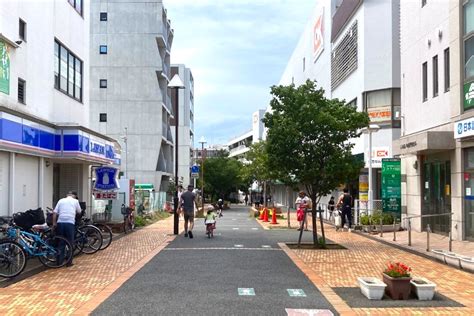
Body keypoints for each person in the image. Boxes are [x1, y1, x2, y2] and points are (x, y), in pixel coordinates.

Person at [52, 191, 82, 266]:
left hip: (60, 222)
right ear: (74, 196)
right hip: (70, 223)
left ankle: (59, 262)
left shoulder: (61, 200)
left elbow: (55, 212)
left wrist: (54, 223)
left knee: (61, 242)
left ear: (67, 195)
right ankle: (69, 262)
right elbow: (79, 211)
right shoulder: (75, 201)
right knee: (70, 242)